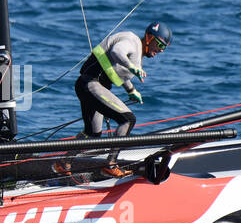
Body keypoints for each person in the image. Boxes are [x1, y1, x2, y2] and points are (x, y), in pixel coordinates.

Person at [56, 22, 171, 178]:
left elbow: (116, 69)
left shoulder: (136, 51)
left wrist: (131, 90)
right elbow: (117, 52)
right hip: (91, 84)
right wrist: (131, 67)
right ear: (149, 38)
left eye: (164, 48)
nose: (160, 50)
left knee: (93, 134)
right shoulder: (132, 42)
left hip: (87, 85)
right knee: (128, 120)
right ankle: (110, 165)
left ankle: (63, 163)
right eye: (159, 44)